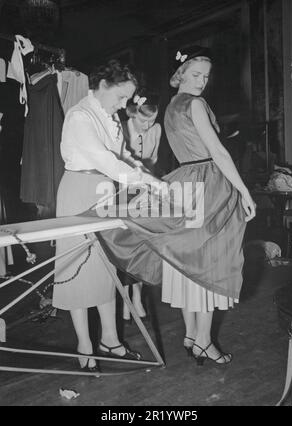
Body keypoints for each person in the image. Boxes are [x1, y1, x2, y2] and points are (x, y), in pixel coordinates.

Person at [52, 60, 162, 372]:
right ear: (102, 86)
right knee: (77, 267)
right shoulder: (79, 115)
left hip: (105, 193)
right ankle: (84, 344)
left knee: (106, 267)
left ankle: (110, 339)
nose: (123, 105)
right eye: (120, 97)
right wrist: (142, 180)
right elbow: (103, 159)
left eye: (127, 99)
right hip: (79, 190)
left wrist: (149, 178)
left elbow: (122, 155)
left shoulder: (109, 115)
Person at [161, 46, 256, 365]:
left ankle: (191, 334)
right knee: (209, 263)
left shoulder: (172, 105)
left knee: (188, 263)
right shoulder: (197, 103)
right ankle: (203, 341)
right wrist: (244, 190)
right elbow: (218, 152)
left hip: (183, 182)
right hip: (207, 183)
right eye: (195, 74)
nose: (202, 81)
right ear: (181, 74)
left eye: (206, 76)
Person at [121, 91, 161, 321]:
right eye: (144, 120)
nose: (149, 125)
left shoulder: (155, 130)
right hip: (124, 188)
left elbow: (153, 160)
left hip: (146, 187)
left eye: (153, 119)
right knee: (125, 246)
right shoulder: (122, 127)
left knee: (142, 245)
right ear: (133, 113)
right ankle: (126, 299)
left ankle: (138, 295)